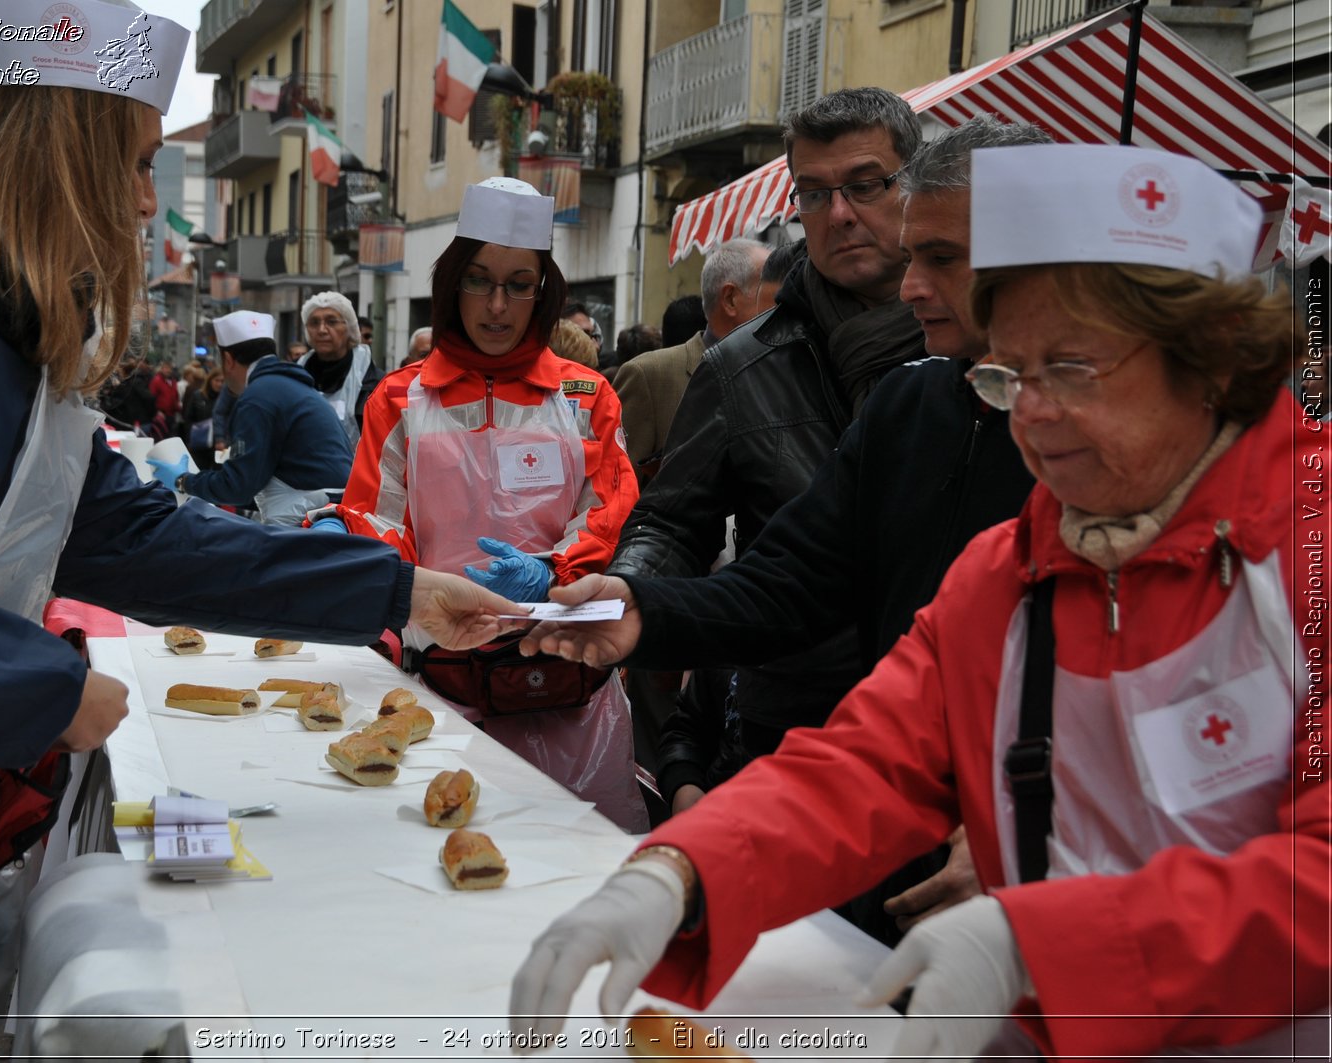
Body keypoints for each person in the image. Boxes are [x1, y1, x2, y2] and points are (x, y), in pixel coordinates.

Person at [0, 5, 517, 1057]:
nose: (149, 203)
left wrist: (396, 591)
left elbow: (138, 534)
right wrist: (48, 688)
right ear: (62, 152)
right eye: (138, 164)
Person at [509, 143, 1326, 1059]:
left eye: (1072, 368)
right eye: (1009, 375)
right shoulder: (1005, 573)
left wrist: (1041, 942)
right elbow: (867, 765)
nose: (1033, 415)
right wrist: (680, 869)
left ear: (1211, 362)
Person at [534, 117, 1048, 943]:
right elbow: (800, 587)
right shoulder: (907, 402)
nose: (914, 284)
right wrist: (641, 606)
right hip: (844, 784)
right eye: (813, 192)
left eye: (940, 258)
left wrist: (1032, 836)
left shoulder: (1231, 488)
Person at [607, 88, 927, 819]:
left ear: (914, 182)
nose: (839, 213)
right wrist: (626, 589)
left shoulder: (971, 346)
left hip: (939, 733)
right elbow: (672, 524)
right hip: (791, 724)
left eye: (866, 184)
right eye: (814, 194)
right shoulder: (739, 367)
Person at [319, 177, 647, 831]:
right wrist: (414, 594)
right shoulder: (400, 401)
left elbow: (610, 509)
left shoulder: (586, 397)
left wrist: (555, 576)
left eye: (519, 283)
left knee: (586, 872)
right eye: (480, 280)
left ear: (542, 290)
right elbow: (375, 523)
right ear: (452, 284)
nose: (498, 305)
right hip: (440, 689)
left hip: (571, 686)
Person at [149, 310, 352, 525]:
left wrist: (184, 481)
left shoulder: (257, 397)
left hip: (311, 520)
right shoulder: (291, 387)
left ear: (228, 359)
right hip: (330, 510)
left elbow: (238, 487)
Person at [612, 238, 770, 484]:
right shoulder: (649, 376)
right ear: (730, 299)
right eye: (771, 298)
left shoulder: (777, 372)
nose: (779, 311)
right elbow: (618, 486)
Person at [301, 290, 380, 447]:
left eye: (331, 322)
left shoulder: (374, 384)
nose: (322, 330)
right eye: (314, 323)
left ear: (349, 328)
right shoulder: (295, 376)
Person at [182, 366, 224, 469]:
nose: (219, 384)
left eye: (222, 381)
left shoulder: (225, 399)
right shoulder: (198, 396)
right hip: (200, 444)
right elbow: (188, 419)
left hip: (219, 446)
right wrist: (190, 440)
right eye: (217, 380)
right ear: (210, 380)